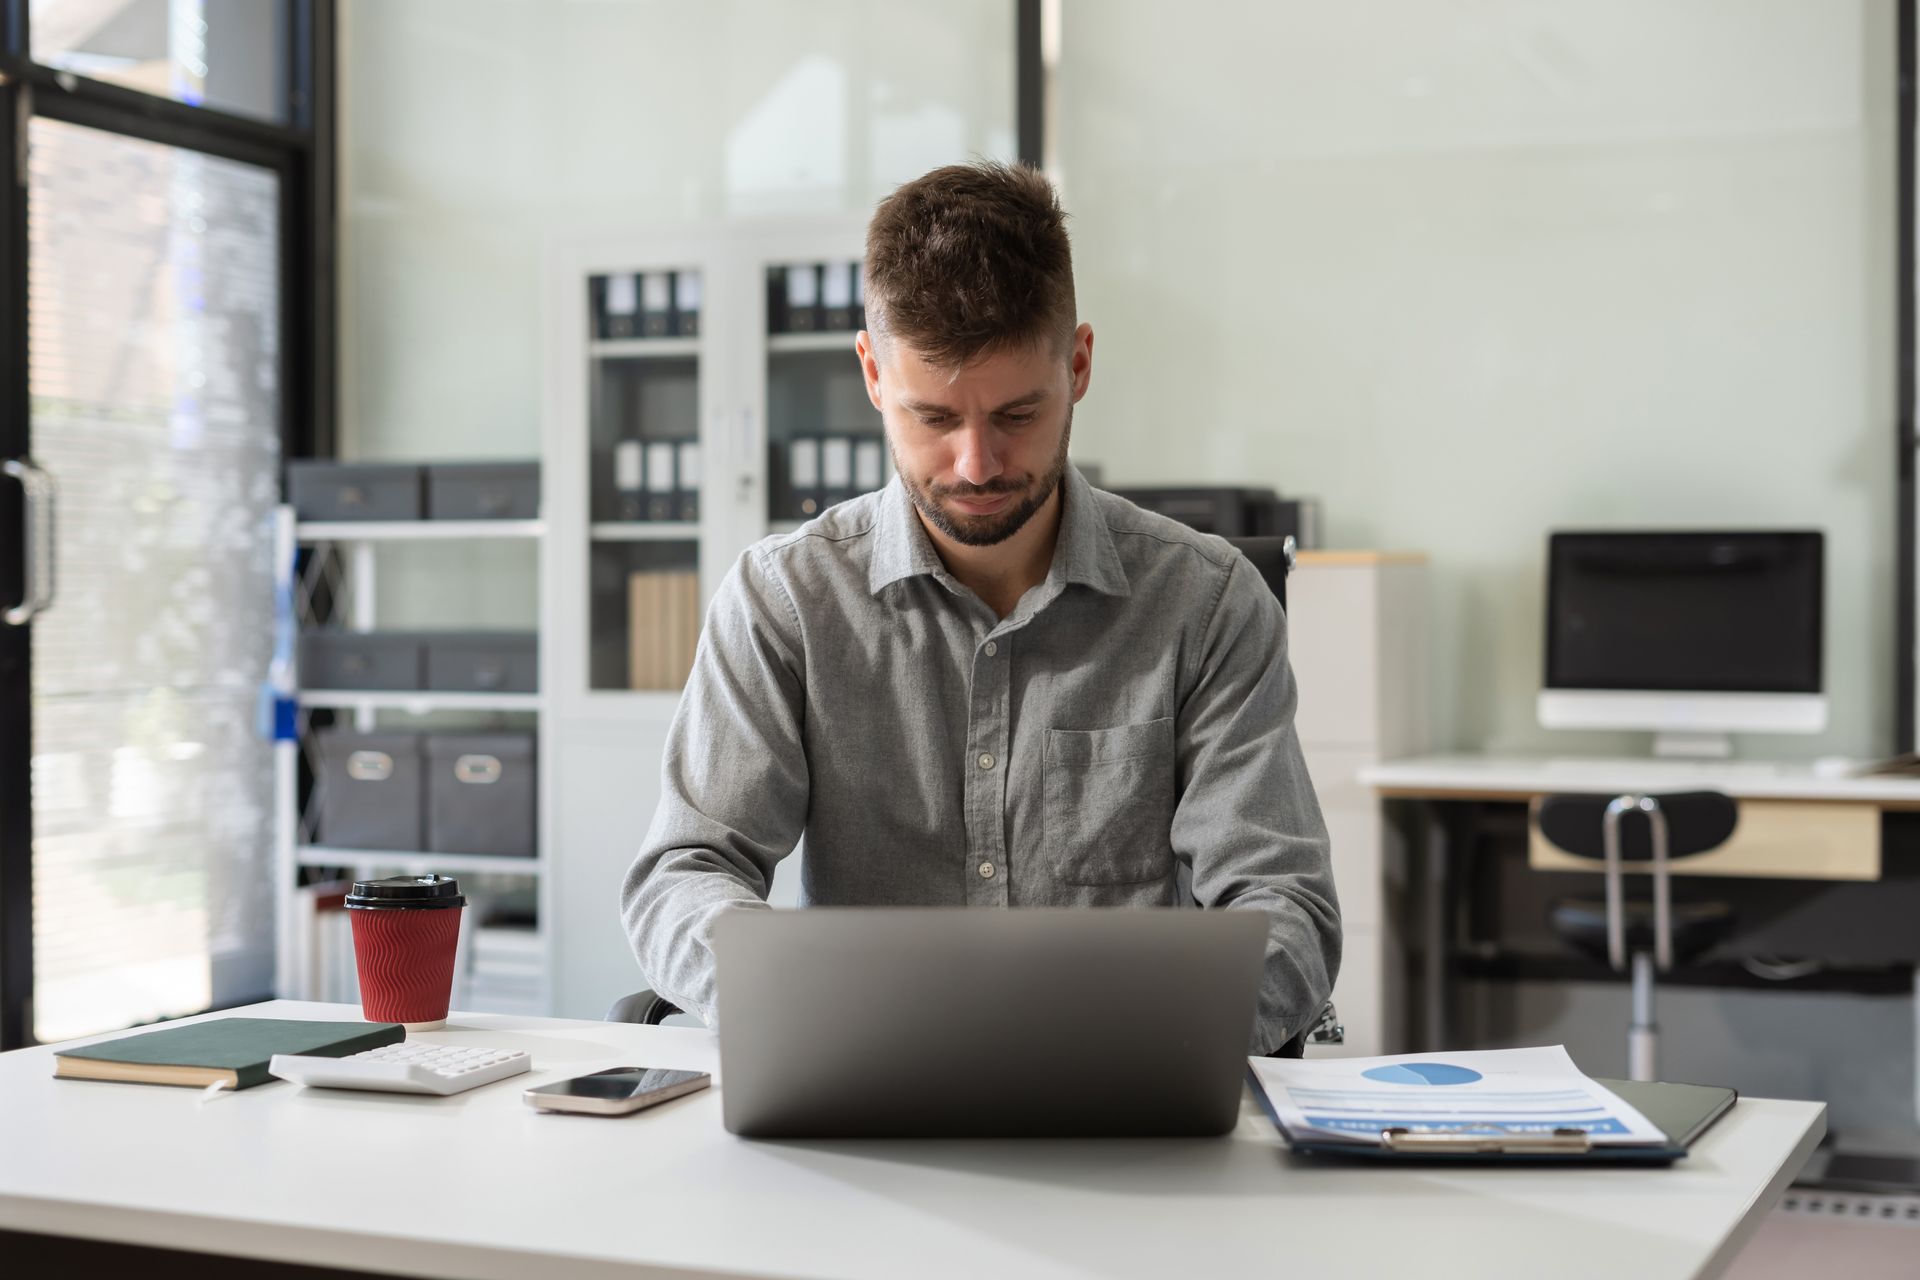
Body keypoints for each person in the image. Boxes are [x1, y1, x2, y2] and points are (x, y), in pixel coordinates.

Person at [621, 160, 1338, 1053]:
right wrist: (800, 1001)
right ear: (873, 375)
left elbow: (1286, 907)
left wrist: (1125, 1039)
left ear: (1078, 365)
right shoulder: (785, 601)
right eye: (933, 418)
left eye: (1015, 414)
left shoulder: (1206, 603)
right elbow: (686, 872)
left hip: (1123, 1103)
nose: (975, 464)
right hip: (867, 1083)